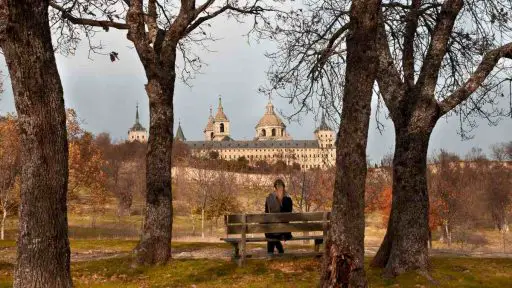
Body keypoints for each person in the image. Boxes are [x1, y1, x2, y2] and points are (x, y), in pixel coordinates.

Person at [264, 179, 293, 255]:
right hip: (285, 231)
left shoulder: (269, 199)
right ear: (284, 188)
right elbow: (289, 216)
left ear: (274, 188)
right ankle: (280, 251)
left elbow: (266, 214)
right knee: (273, 232)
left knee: (271, 233)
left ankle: (271, 253)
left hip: (273, 230)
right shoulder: (288, 199)